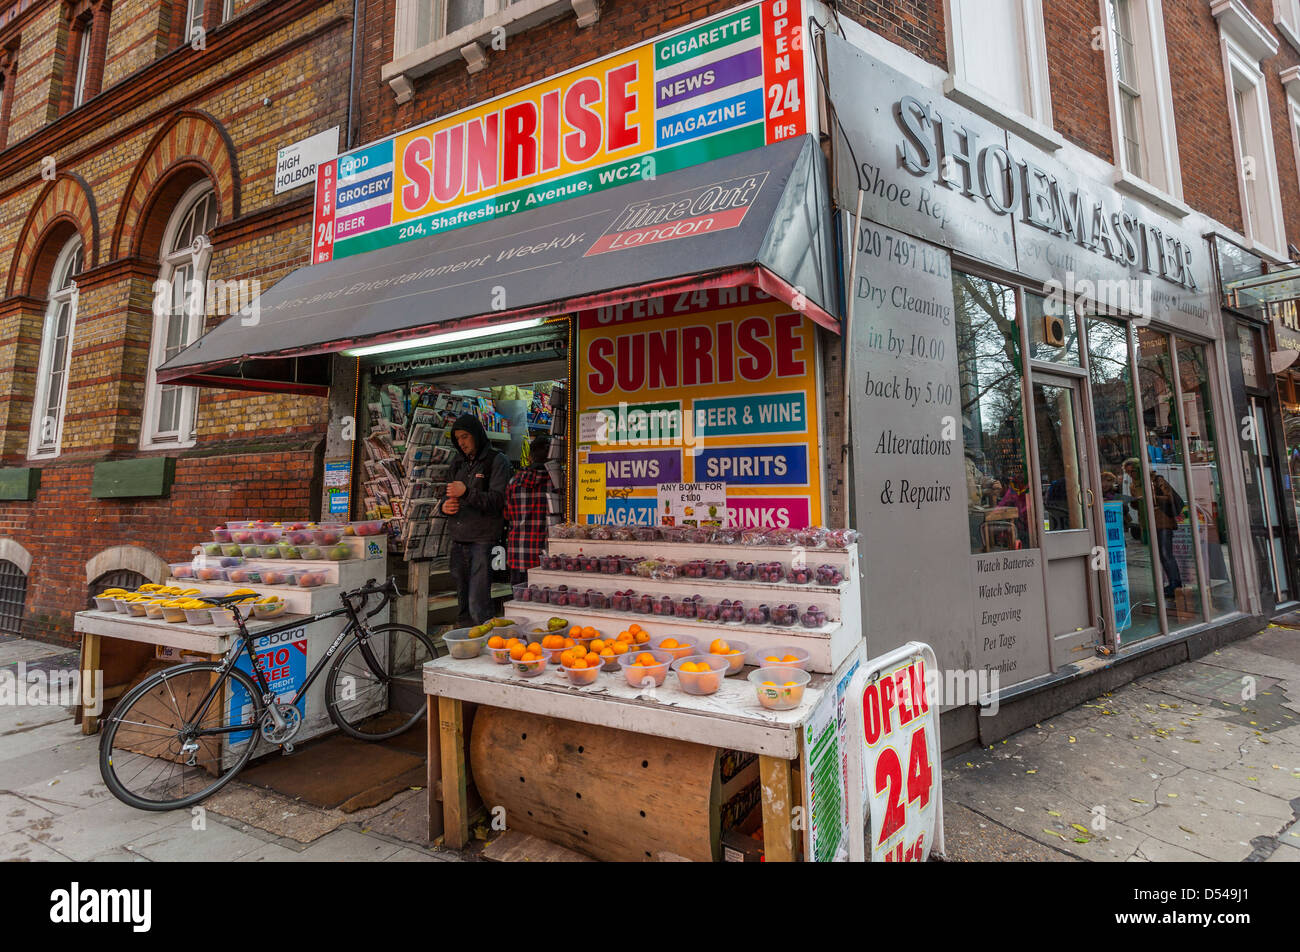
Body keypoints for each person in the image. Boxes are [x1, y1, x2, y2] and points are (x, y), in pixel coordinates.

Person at [443, 414, 510, 627]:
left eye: (465, 437)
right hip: (458, 539)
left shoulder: (496, 461)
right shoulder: (457, 462)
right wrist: (444, 506)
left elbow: (499, 500)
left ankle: (486, 650)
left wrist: (466, 493)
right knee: (462, 600)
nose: (461, 443)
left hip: (484, 541)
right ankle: (466, 647)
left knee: (478, 601)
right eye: (457, 438)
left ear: (477, 435)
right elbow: (446, 495)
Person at [505, 435, 551, 586]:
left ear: (530, 457)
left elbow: (507, 514)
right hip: (546, 556)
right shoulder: (557, 483)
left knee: (519, 603)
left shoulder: (514, 481)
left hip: (518, 554)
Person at [1148, 473, 1185, 599]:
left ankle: (1176, 584)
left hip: (1164, 521)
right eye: (1129, 472)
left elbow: (1170, 498)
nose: (1132, 474)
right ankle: (1172, 583)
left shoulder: (1157, 480)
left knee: (1166, 553)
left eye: (1133, 471)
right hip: (1152, 522)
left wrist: (1153, 497)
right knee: (1161, 555)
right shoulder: (1134, 485)